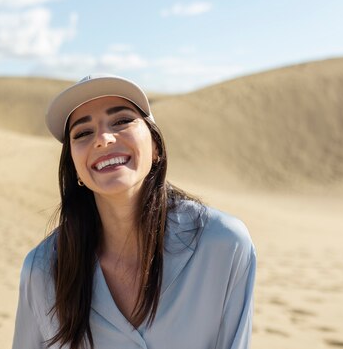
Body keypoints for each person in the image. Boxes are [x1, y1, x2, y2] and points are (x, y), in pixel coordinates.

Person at [13, 74, 256, 349]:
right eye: (82, 133)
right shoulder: (42, 269)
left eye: (121, 121)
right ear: (74, 167)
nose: (103, 139)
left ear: (155, 147)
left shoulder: (223, 244)